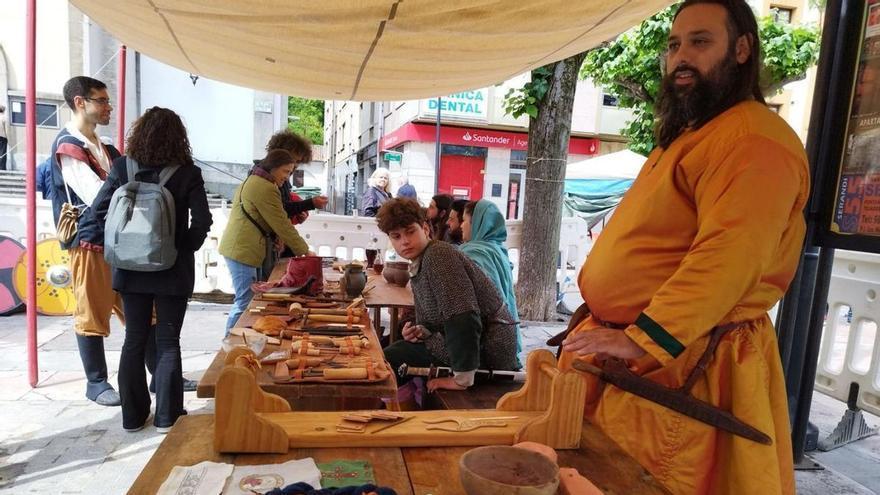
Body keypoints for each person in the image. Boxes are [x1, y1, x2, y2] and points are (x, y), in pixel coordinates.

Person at [557, 1, 809, 493]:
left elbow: (729, 255)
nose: (680, 58)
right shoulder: (695, 134)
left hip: (688, 361)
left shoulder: (754, 139)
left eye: (699, 41)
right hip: (646, 356)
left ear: (741, 49)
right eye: (674, 45)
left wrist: (643, 338)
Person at [88, 107, 212, 433]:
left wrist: (117, 248)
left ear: (138, 134)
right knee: (169, 341)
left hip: (130, 270)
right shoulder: (187, 172)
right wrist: (180, 248)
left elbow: (97, 213)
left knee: (133, 339)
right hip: (172, 271)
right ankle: (167, 417)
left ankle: (132, 417)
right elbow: (202, 222)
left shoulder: (121, 167)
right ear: (179, 138)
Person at [47, 76, 133, 406]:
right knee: (91, 313)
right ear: (80, 102)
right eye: (102, 101)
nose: (108, 106)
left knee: (142, 309)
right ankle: (96, 382)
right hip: (89, 242)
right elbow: (99, 196)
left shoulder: (104, 145)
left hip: (119, 241)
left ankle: (160, 371)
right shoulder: (69, 146)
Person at [378, 198, 519, 393]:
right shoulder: (423, 259)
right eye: (396, 236)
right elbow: (439, 315)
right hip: (474, 347)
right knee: (389, 353)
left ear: (425, 228)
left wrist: (461, 379)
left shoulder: (438, 255)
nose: (405, 241)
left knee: (386, 361)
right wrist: (421, 331)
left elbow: (463, 316)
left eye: (410, 232)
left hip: (489, 352)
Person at [219, 149, 312, 333]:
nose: (287, 177)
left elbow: (266, 219)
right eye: (286, 171)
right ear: (274, 166)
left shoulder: (256, 180)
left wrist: (278, 237)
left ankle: (240, 340)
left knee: (249, 300)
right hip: (242, 250)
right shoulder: (265, 187)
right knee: (245, 302)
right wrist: (306, 252)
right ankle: (228, 344)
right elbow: (281, 223)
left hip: (242, 248)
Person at [257, 130, 328, 275]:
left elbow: (282, 211)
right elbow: (279, 212)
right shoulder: (265, 179)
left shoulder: (276, 176)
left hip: (273, 242)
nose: (295, 166)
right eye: (295, 160)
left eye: (298, 162)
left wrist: (297, 213)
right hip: (261, 244)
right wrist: (310, 204)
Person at [459, 200, 521, 361]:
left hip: (486, 341)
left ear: (478, 223)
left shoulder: (473, 253)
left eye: (464, 220)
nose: (461, 225)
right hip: (507, 335)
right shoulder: (497, 250)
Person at [0, 104, 8, 170]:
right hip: (2, 136)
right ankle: (2, 168)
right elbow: (6, 129)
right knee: (2, 153)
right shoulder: (3, 117)